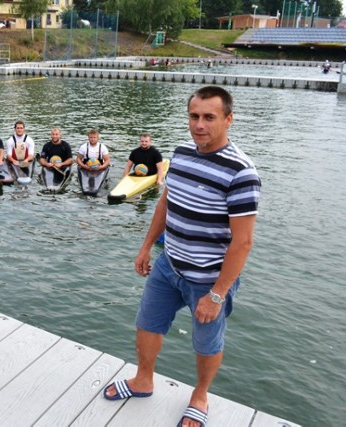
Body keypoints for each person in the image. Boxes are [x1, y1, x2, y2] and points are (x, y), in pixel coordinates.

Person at [103, 86, 261, 427]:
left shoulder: (242, 173)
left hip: (207, 279)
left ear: (228, 120)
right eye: (194, 116)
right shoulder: (181, 154)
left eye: (209, 117)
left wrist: (217, 294)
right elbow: (166, 203)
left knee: (206, 342)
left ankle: (200, 396)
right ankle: (143, 380)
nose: (199, 125)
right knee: (147, 324)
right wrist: (147, 247)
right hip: (168, 264)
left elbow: (243, 243)